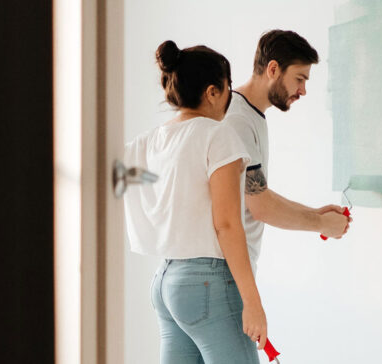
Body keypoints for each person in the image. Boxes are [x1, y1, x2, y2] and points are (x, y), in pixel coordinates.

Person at [124, 40, 265, 364]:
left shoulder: (151, 140)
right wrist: (252, 300)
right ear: (213, 92)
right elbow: (227, 224)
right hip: (207, 283)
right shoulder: (218, 135)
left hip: (165, 282)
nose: (231, 97)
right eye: (228, 88)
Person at [223, 30, 352, 277]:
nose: (303, 90)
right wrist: (322, 224)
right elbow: (261, 206)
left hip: (227, 271)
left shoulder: (249, 115)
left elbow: (257, 193)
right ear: (273, 69)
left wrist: (317, 214)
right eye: (299, 79)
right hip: (224, 273)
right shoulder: (238, 119)